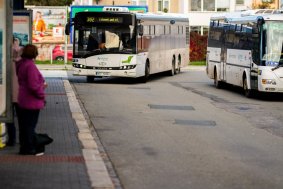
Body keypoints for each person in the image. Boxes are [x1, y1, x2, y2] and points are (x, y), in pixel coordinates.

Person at [16, 44, 47, 155]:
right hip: (32, 101)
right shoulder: (30, 66)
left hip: (23, 99)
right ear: (34, 53)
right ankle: (29, 148)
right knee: (30, 126)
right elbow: (33, 85)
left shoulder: (21, 64)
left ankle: (24, 147)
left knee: (24, 125)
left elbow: (22, 81)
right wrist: (42, 94)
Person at [5, 37, 22, 146]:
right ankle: (23, 139)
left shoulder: (4, 54)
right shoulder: (22, 54)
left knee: (9, 118)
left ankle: (12, 139)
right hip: (21, 93)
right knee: (22, 119)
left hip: (7, 93)